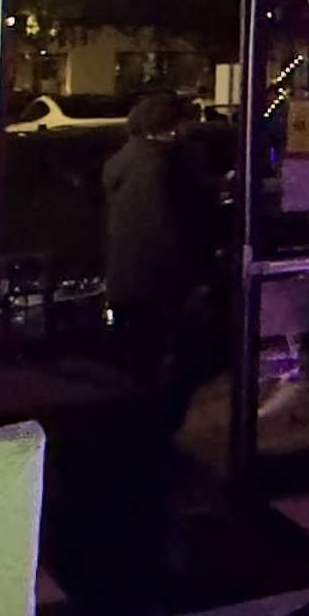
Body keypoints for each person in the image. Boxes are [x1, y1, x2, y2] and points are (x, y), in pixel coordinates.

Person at [102, 90, 216, 406]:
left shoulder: (124, 162)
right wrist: (196, 274)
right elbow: (170, 228)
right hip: (163, 284)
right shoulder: (165, 165)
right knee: (171, 364)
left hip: (127, 280)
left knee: (137, 362)